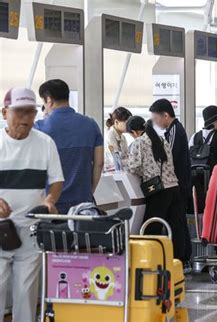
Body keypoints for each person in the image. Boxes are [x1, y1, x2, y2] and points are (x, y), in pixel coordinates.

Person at [0, 87, 64, 322]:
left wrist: (50, 200)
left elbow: (56, 180)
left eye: (31, 112)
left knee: (26, 291)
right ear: (4, 112)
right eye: (19, 112)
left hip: (31, 228)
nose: (26, 118)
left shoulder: (45, 143)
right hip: (1, 228)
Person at [35, 79, 104, 214]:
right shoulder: (91, 125)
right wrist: (89, 191)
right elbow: (99, 163)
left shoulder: (39, 128)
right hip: (83, 201)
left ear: (49, 101)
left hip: (51, 203)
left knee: (52, 235)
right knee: (81, 235)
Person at [128, 117, 187, 263]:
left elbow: (133, 167)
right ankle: (178, 261)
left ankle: (151, 261)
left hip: (158, 190)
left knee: (151, 228)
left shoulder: (139, 143)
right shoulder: (162, 140)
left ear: (134, 132)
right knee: (174, 227)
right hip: (173, 186)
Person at [148, 99, 192, 272]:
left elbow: (168, 157)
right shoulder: (173, 130)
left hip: (177, 184)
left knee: (176, 222)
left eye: (156, 118)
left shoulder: (174, 131)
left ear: (166, 115)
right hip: (179, 183)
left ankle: (181, 258)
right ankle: (183, 258)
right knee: (178, 222)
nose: (155, 122)